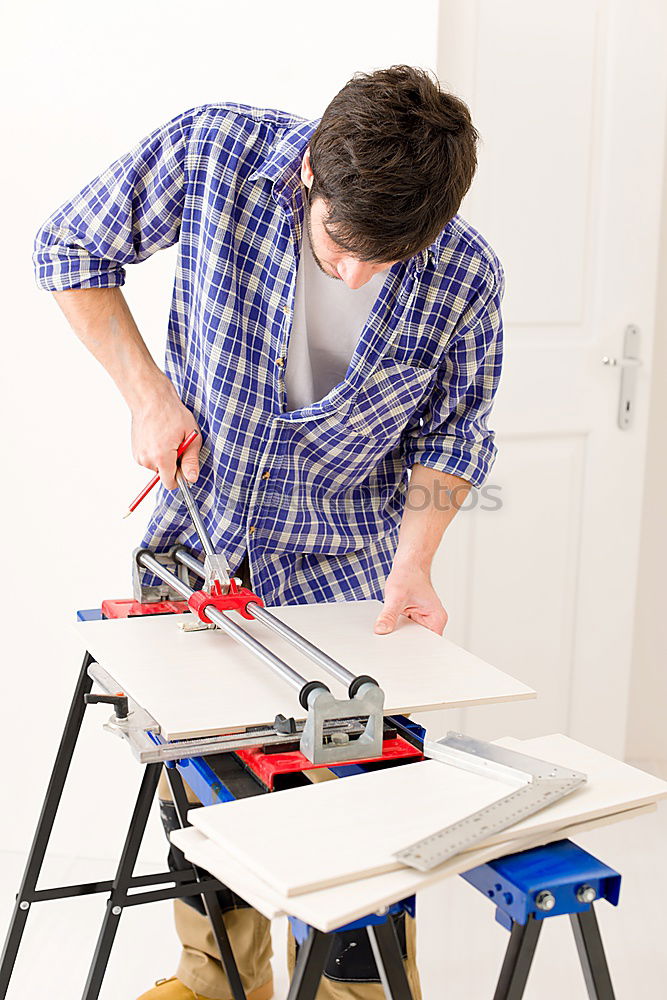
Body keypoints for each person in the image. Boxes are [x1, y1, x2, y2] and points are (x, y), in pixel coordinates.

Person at [34, 65, 504, 1000]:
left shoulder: (466, 273)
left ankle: (354, 994)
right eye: (344, 244)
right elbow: (68, 246)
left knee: (366, 812)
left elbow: (454, 433)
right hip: (197, 550)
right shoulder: (216, 151)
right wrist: (148, 395)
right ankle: (214, 978)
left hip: (348, 582)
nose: (360, 274)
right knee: (212, 798)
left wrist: (414, 567)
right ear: (307, 177)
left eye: (391, 257)